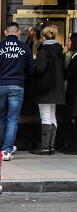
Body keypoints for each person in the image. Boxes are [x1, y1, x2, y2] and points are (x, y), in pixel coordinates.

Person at [0, 22, 35, 161]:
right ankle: (7, 150)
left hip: (1, 85)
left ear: (5, 32)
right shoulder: (25, 48)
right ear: (18, 32)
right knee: (13, 119)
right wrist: (23, 78)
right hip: (17, 85)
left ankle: (1, 147)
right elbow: (31, 69)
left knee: (2, 117)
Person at [29, 25, 65, 155]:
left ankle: (45, 147)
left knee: (45, 116)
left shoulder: (44, 52)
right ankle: (51, 146)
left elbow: (40, 69)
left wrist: (34, 61)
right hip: (56, 89)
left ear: (44, 37)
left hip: (45, 89)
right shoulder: (59, 51)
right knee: (52, 116)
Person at [64, 33, 77, 155]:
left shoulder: (75, 58)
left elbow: (68, 73)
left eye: (70, 41)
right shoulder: (73, 56)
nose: (68, 43)